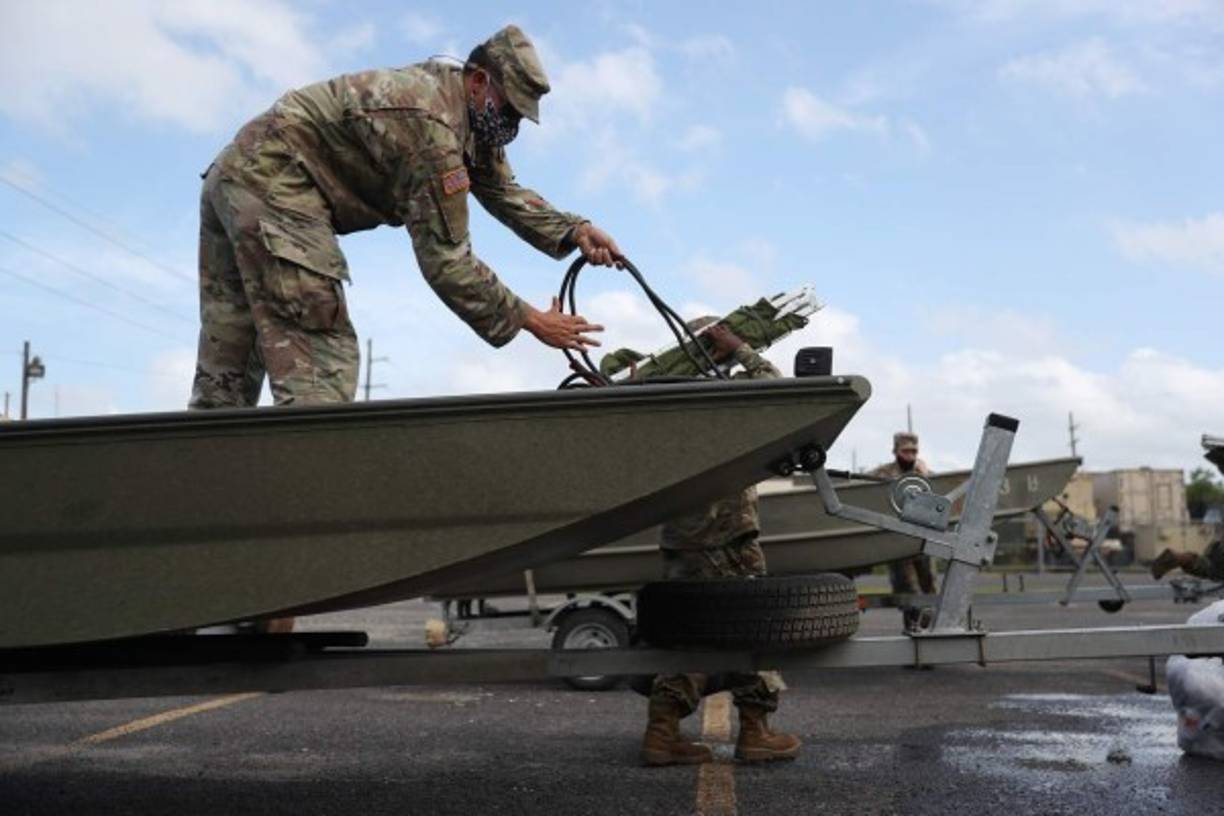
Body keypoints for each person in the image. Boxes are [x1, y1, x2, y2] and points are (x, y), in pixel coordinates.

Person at [190, 25, 620, 631]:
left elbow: (501, 188)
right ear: (478, 82)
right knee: (319, 357)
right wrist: (530, 320)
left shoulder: (464, 113)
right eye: (509, 111)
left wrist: (574, 229)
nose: (512, 128)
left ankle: (190, 565)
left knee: (227, 378)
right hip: (274, 183)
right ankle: (277, 584)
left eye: (522, 119)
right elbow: (447, 259)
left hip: (233, 176)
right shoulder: (434, 131)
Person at [636, 321, 802, 766]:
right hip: (729, 537)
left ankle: (661, 732)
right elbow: (777, 394)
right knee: (753, 629)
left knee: (688, 635)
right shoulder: (725, 398)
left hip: (680, 540)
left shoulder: (658, 400)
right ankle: (755, 731)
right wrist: (744, 349)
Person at [869, 431, 937, 631]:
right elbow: (866, 493)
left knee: (930, 587)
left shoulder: (922, 472)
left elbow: (936, 499)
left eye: (913, 451)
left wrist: (924, 475)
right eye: (905, 451)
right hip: (897, 543)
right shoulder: (883, 473)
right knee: (909, 590)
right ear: (896, 451)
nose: (910, 455)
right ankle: (913, 632)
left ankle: (928, 631)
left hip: (922, 541)